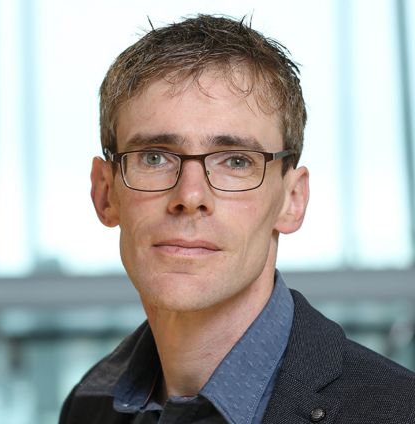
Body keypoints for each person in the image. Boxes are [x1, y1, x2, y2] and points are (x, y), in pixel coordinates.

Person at [59, 14, 415, 424]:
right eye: (154, 157)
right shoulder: (90, 404)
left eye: (236, 161)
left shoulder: (399, 412)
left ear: (292, 200)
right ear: (105, 193)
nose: (190, 197)